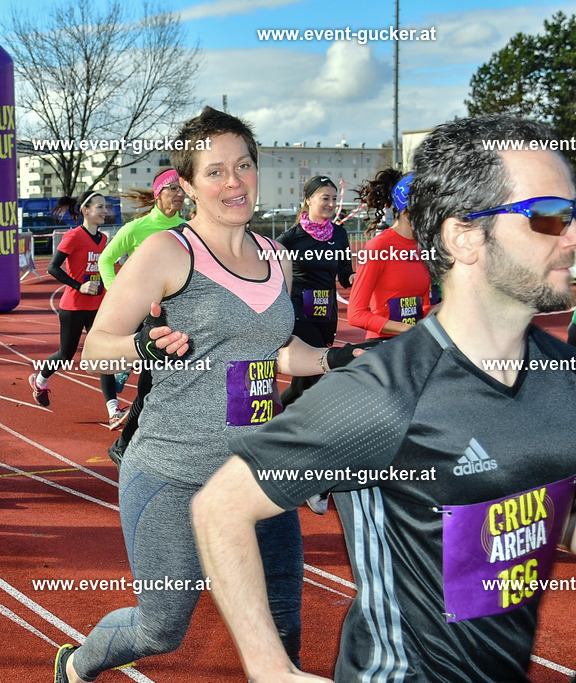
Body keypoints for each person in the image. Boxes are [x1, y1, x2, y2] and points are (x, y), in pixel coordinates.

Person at [191, 114, 576, 681]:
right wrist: (273, 670)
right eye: (548, 216)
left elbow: (545, 503)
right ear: (463, 236)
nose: (570, 235)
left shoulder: (562, 374)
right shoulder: (385, 393)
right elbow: (220, 508)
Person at [53, 106, 371, 683]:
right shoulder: (168, 253)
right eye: (216, 171)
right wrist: (145, 351)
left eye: (244, 165)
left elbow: (275, 350)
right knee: (161, 630)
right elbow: (98, 347)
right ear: (190, 185)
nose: (234, 182)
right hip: (174, 471)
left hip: (257, 474)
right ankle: (76, 665)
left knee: (282, 632)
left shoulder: (277, 257)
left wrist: (331, 358)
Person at [97, 169, 186, 464]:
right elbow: (106, 259)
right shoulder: (137, 228)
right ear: (158, 193)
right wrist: (117, 294)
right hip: (149, 318)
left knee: (164, 385)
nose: (179, 193)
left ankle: (131, 442)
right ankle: (125, 443)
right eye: (172, 188)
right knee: (152, 384)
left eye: (182, 188)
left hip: (180, 316)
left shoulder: (189, 229)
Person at [28, 191, 128, 429]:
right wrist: (79, 285)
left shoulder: (104, 240)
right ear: (85, 210)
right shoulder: (73, 236)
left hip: (98, 307)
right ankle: (40, 380)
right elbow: (53, 268)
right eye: (100, 207)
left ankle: (113, 411)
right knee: (66, 354)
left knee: (104, 356)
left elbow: (108, 269)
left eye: (106, 207)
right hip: (73, 307)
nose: (105, 211)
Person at [276, 175, 354, 405]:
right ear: (309, 200)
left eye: (334, 198)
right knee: (318, 375)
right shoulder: (291, 238)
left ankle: (274, 421)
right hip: (301, 314)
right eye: (324, 198)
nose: (331, 204)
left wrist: (352, 277)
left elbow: (344, 270)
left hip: (326, 314)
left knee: (303, 384)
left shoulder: (339, 234)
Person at [348, 171, 432, 339]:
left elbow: (422, 307)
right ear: (405, 208)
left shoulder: (424, 247)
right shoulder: (378, 247)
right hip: (383, 349)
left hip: (415, 344)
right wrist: (409, 330)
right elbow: (355, 314)